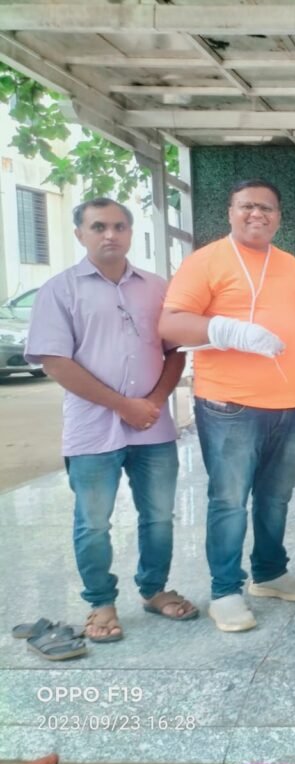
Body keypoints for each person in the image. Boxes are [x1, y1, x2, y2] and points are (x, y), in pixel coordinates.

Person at [25, 198, 195, 643]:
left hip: (152, 426)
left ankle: (154, 590)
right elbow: (55, 361)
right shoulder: (59, 290)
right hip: (92, 429)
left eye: (120, 226)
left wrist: (153, 401)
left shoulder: (156, 288)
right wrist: (123, 405)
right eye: (99, 226)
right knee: (94, 522)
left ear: (131, 233)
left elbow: (175, 352)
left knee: (159, 516)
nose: (110, 235)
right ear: (79, 234)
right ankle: (101, 602)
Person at [159, 179, 295, 633]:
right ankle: (225, 591)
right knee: (230, 500)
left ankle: (269, 573)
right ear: (230, 212)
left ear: (279, 218)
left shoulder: (292, 266)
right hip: (229, 406)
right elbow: (170, 324)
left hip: (289, 407)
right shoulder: (206, 261)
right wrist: (228, 331)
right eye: (247, 206)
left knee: (276, 496)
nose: (257, 214)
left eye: (267, 208)